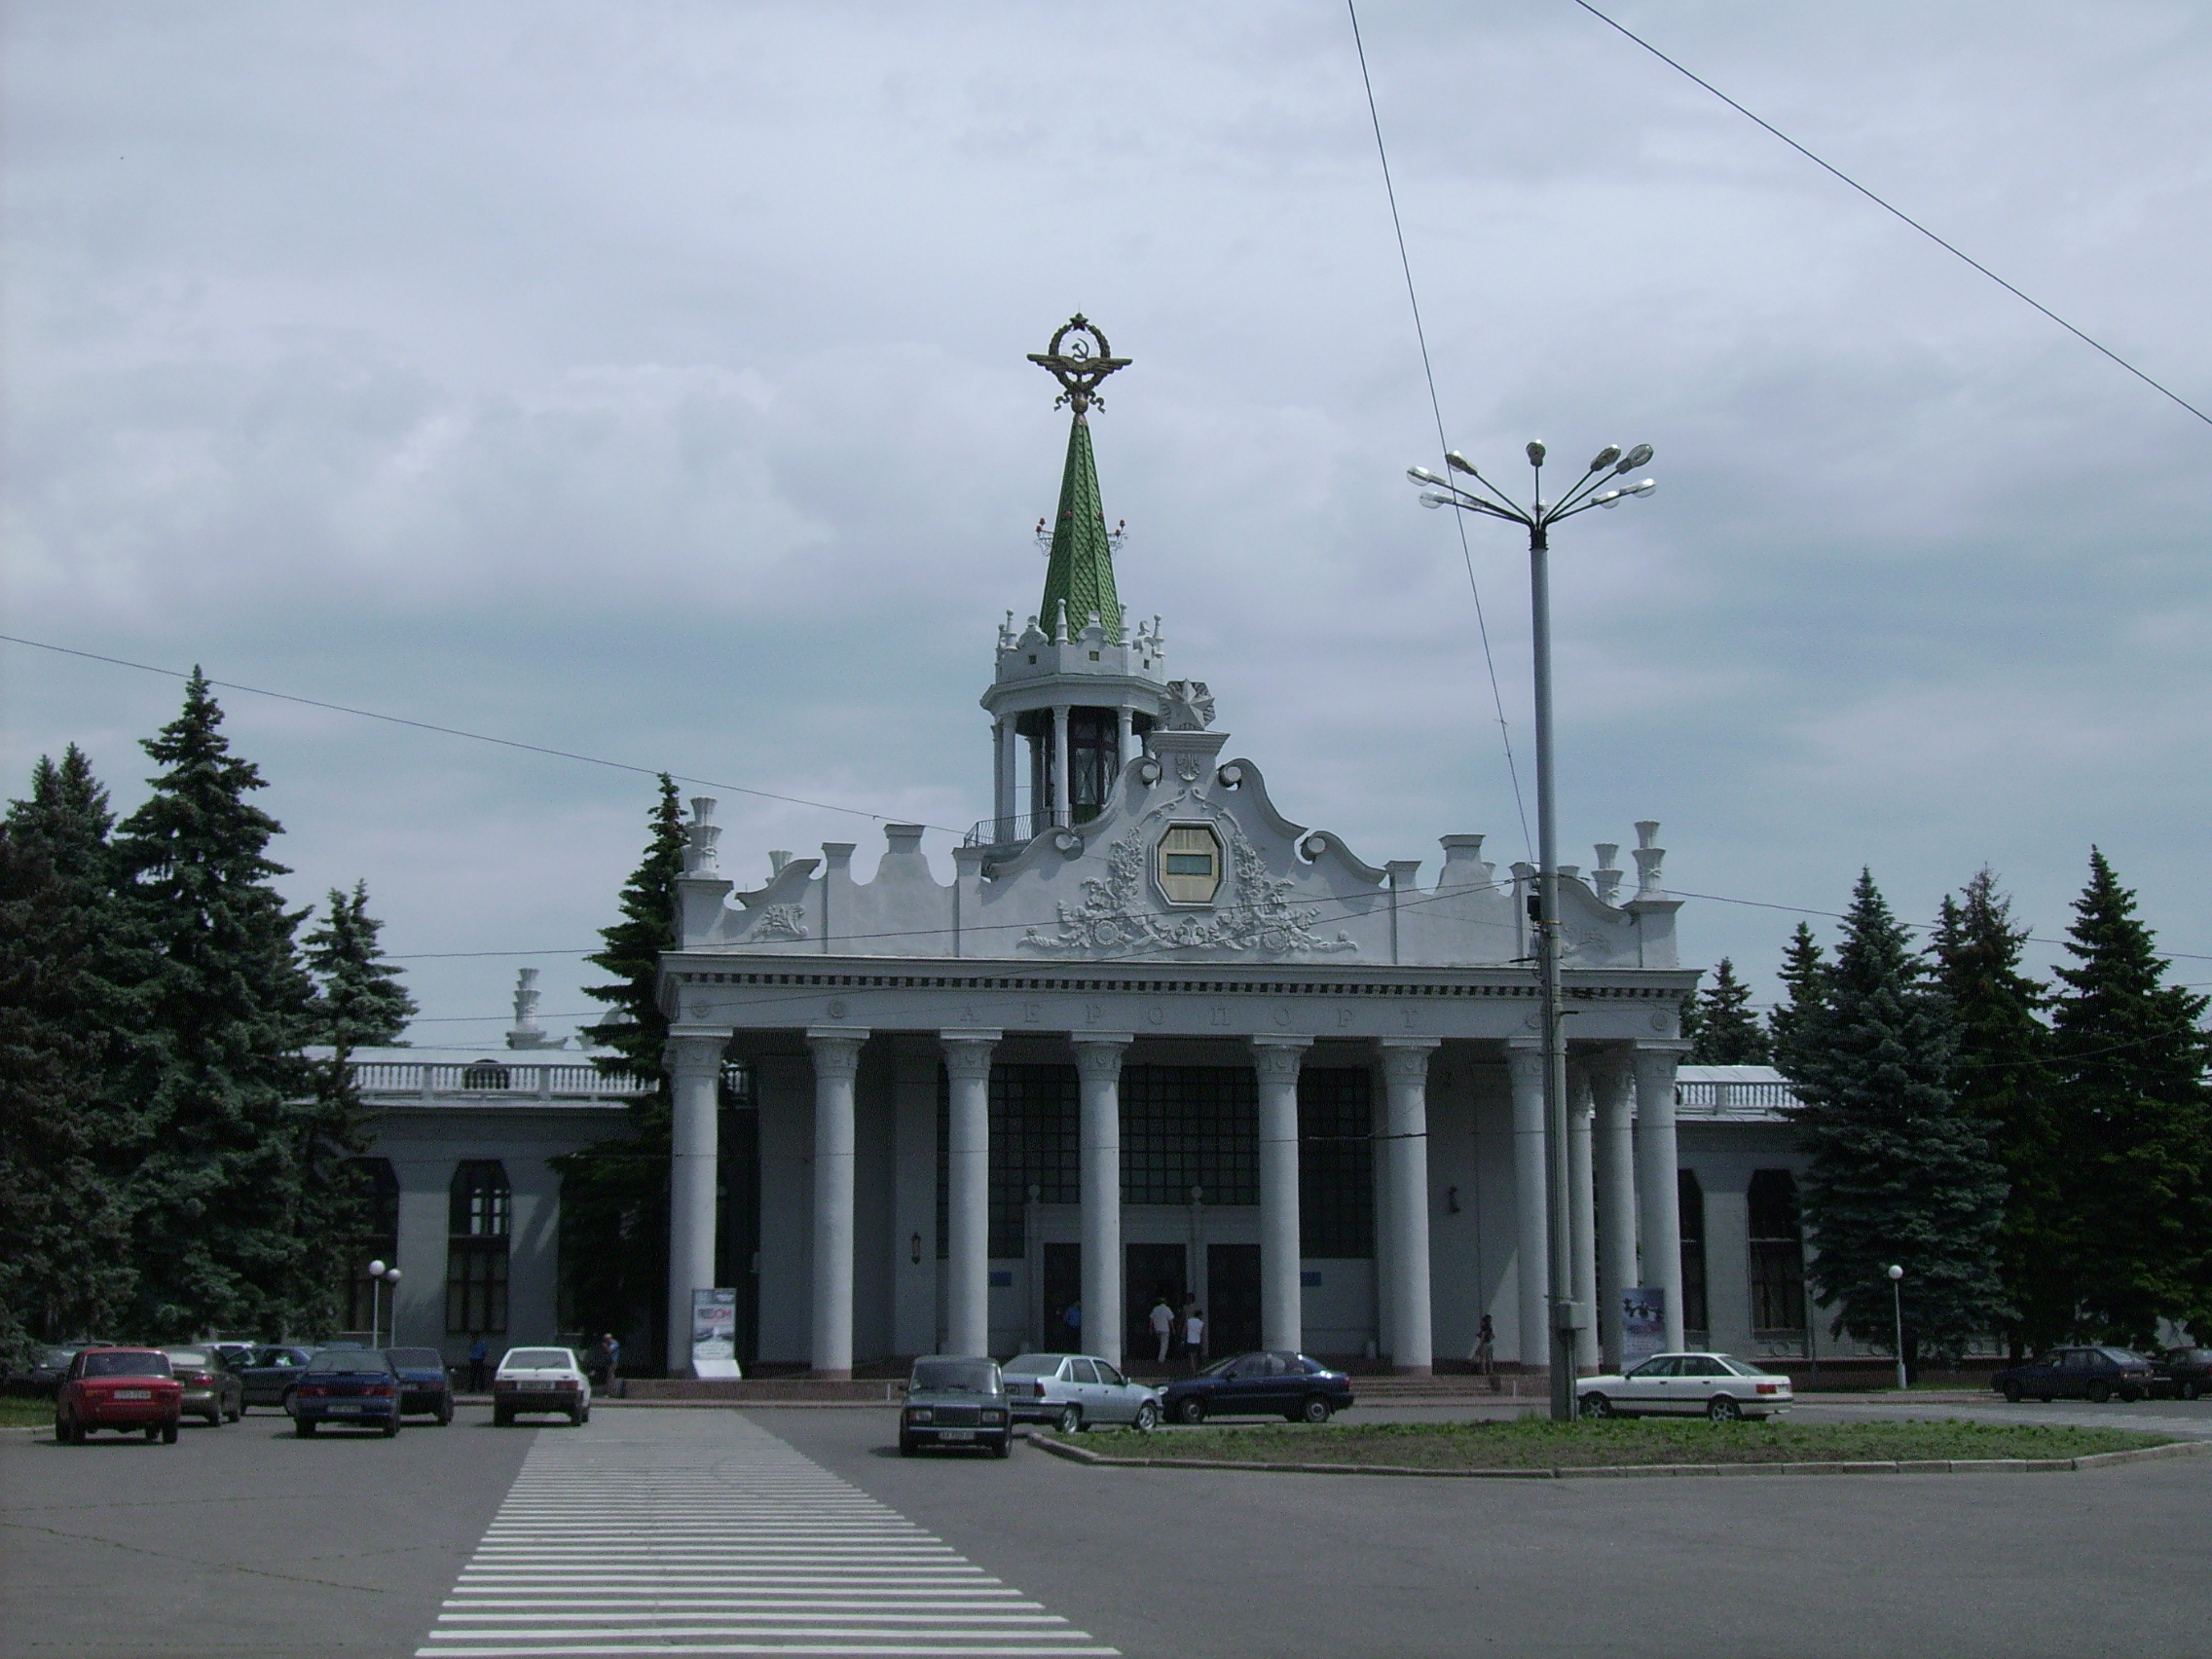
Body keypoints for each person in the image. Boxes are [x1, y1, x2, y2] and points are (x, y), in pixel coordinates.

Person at [1470, 1314, 1496, 1391]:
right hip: (1490, 1344)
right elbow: (1493, 1336)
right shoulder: (1490, 1328)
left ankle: (1484, 1371)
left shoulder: (1484, 1328)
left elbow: (1482, 1336)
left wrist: (1480, 1343)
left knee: (1483, 1358)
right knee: (1490, 1358)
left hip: (1484, 1344)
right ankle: (1491, 1370)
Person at [1149, 1294, 1174, 1366]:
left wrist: (1151, 1328)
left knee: (1160, 1343)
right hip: (1165, 1329)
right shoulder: (1167, 1309)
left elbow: (1151, 1319)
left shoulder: (1155, 1309)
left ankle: (1160, 1357)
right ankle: (1161, 1359)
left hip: (1157, 1328)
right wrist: (1173, 1329)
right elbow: (1170, 1320)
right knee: (1164, 1344)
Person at [1183, 1307, 1205, 1373]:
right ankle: (1200, 1369)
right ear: (1199, 1315)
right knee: (1199, 1356)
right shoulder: (1201, 1323)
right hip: (1197, 1341)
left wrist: (1182, 1338)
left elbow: (1184, 1330)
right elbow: (1202, 1334)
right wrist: (1203, 1343)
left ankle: (1193, 1369)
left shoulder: (1189, 1321)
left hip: (1190, 1340)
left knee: (1191, 1356)